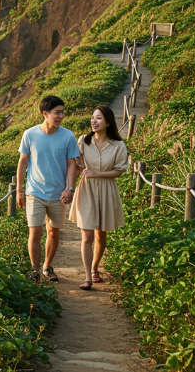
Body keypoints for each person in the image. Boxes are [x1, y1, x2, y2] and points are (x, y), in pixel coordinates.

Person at [16, 95, 80, 283]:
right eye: (57, 112)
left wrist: (70, 188)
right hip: (34, 192)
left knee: (54, 232)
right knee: (35, 232)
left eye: (62, 112)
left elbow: (71, 164)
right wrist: (19, 190)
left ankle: (47, 266)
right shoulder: (30, 134)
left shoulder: (68, 136)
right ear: (45, 114)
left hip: (58, 193)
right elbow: (23, 162)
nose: (61, 116)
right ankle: (35, 270)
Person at [69, 105, 129, 290]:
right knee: (86, 235)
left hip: (107, 189)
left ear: (109, 122)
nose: (94, 121)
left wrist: (97, 174)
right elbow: (76, 165)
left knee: (100, 234)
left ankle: (95, 268)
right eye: (93, 118)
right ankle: (87, 277)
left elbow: (119, 171)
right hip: (86, 189)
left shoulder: (118, 145)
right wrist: (68, 188)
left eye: (99, 118)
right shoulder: (83, 141)